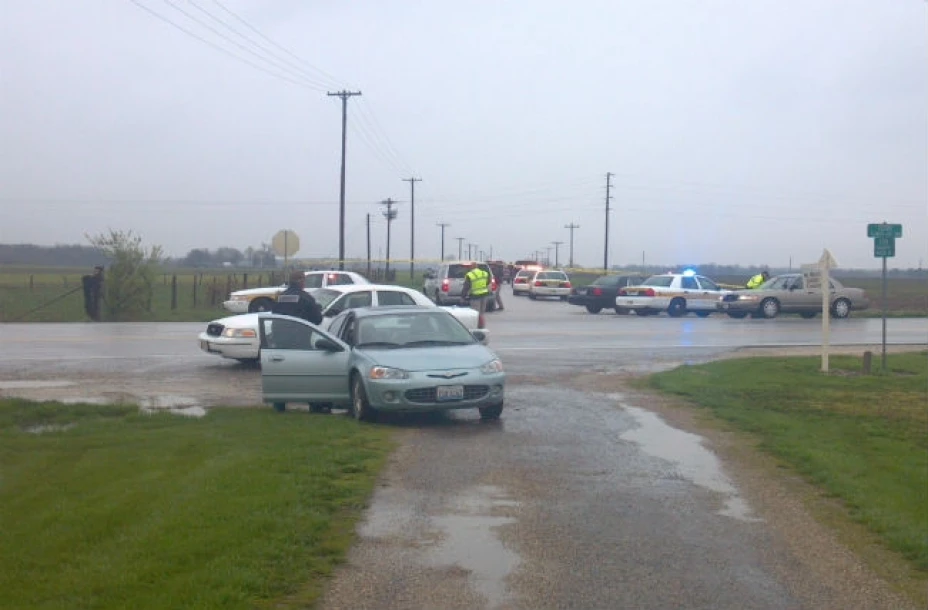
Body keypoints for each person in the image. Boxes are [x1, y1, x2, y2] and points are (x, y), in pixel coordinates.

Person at [461, 263, 491, 328]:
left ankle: (476, 327)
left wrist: (463, 296)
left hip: (475, 296)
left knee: (475, 313)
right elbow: (488, 281)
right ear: (477, 267)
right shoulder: (484, 273)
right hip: (484, 295)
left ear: (471, 267)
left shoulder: (470, 275)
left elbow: (466, 287)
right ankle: (482, 326)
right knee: (482, 313)